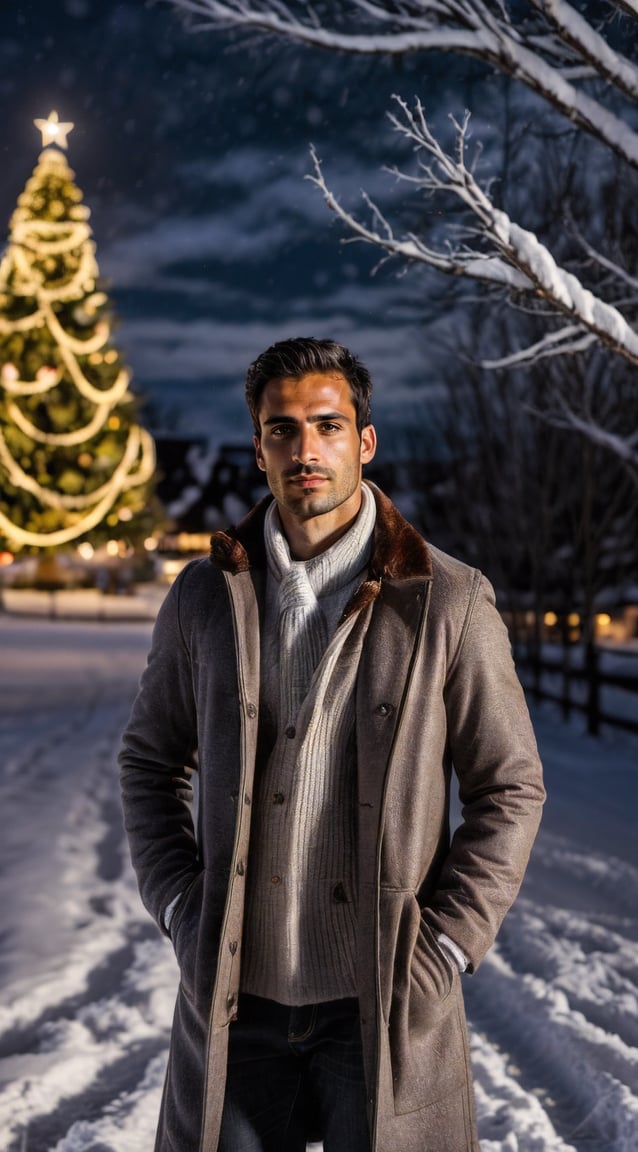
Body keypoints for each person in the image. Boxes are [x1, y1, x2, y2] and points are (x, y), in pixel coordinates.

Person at [119, 337, 545, 1152]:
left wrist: (445, 948)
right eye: (282, 429)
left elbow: (511, 786)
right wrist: (180, 905)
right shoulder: (207, 595)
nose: (304, 449)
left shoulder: (448, 601)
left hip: (378, 1006)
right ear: (257, 447)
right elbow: (148, 761)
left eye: (327, 425)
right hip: (237, 1006)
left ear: (365, 441)